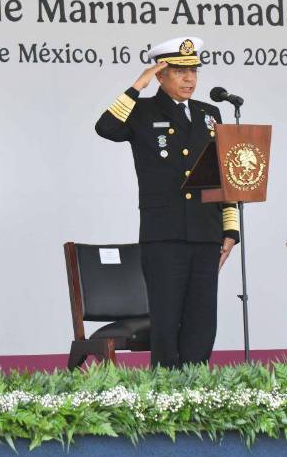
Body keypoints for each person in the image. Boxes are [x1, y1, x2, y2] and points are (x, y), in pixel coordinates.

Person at [95, 36, 239, 368]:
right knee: (167, 318)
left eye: (194, 71)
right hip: (164, 232)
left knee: (202, 319)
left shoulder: (209, 113)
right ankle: (166, 385)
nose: (189, 79)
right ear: (160, 75)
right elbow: (105, 127)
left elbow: (223, 175)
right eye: (179, 72)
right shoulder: (142, 111)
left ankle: (196, 384)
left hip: (205, 230)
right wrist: (138, 85)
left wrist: (229, 230)